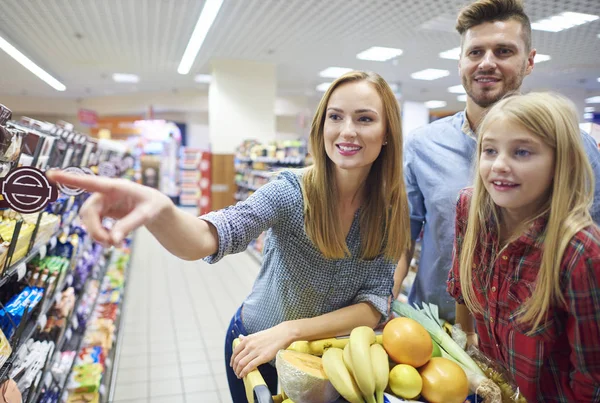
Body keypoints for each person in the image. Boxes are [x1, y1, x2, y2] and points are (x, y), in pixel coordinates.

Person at [47, 70, 411, 402]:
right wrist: (161, 209)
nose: (347, 130)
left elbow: (374, 304)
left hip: (325, 361)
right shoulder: (292, 192)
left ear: (386, 135)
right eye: (336, 116)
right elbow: (215, 234)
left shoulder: (391, 210)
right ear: (321, 126)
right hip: (255, 348)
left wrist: (292, 331)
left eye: (364, 118)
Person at [398, 0, 600, 321]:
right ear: (460, 61)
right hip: (435, 330)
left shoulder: (575, 147)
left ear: (529, 61)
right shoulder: (422, 145)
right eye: (475, 52)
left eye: (504, 51)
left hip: (535, 340)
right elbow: (401, 242)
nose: (487, 63)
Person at [448, 92, 600, 402]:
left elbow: (591, 377)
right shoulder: (471, 208)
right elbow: (461, 290)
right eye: (490, 150)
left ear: (560, 162)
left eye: (521, 152)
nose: (500, 165)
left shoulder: (580, 253)